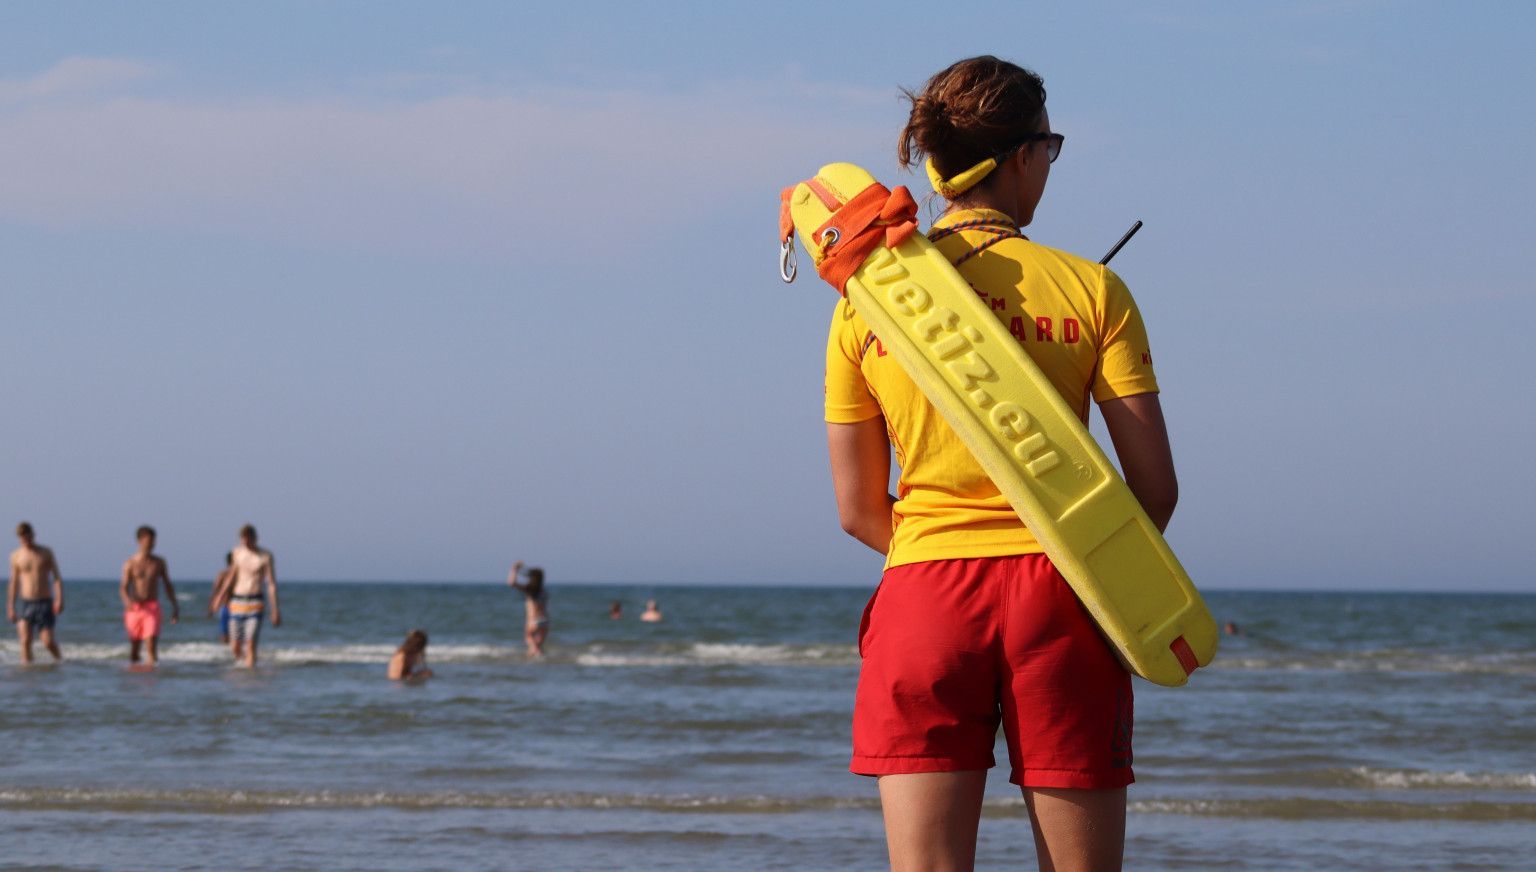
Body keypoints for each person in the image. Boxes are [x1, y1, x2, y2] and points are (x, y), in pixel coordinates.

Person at [823, 56, 1177, 871]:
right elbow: (1154, 489)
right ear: (1022, 156)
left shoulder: (863, 304)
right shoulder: (1094, 291)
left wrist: (931, 557)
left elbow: (855, 507)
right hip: (1061, 591)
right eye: (1048, 150)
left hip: (924, 596)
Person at [211, 524, 281, 668]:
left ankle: (250, 676)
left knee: (250, 643)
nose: (246, 543)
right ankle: (243, 668)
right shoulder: (237, 553)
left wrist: (275, 610)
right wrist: (219, 597)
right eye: (243, 540)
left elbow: (271, 584)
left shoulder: (265, 556)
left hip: (256, 602)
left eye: (249, 539)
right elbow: (231, 577)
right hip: (237, 602)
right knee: (235, 645)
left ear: (255, 538)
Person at [120, 525, 180, 665]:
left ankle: (151, 679)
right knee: (135, 648)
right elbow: (123, 587)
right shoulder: (130, 563)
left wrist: (175, 606)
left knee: (151, 642)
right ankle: (136, 676)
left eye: (154, 540)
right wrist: (127, 601)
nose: (152, 544)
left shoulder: (158, 563)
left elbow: (167, 584)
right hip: (134, 608)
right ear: (140, 540)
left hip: (152, 607)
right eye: (149, 540)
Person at [7, 522, 65, 664]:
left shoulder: (45, 552)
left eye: (28, 536)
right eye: (22, 537)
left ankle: (61, 661)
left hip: (44, 602)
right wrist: (10, 607)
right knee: (25, 640)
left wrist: (59, 598)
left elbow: (57, 577)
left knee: (48, 641)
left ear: (33, 535)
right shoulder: (16, 556)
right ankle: (28, 673)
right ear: (19, 538)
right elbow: (14, 583)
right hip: (26, 603)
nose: (26, 540)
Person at [507, 561, 548, 658]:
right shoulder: (543, 592)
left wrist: (514, 570)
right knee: (537, 645)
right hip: (545, 620)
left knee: (529, 639)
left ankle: (537, 656)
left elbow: (511, 583)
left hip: (533, 620)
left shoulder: (530, 590)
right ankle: (536, 661)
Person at [208, 552, 234, 644]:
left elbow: (214, 591)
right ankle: (226, 656)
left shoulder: (241, 575)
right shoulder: (223, 574)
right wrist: (211, 606)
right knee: (225, 634)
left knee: (236, 636)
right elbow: (215, 590)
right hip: (226, 607)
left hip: (237, 607)